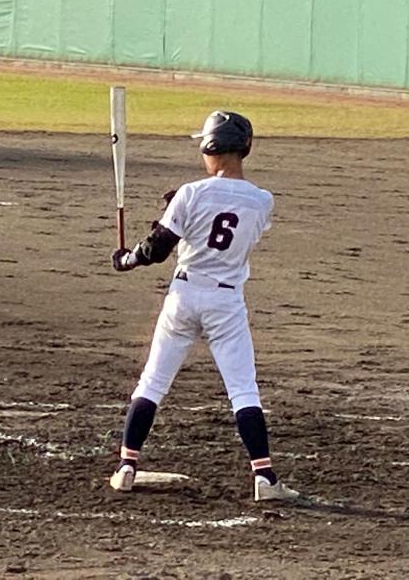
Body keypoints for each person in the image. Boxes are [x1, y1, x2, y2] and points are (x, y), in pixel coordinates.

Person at [108, 111, 299, 502]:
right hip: (226, 303)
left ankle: (126, 466)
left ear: (212, 147)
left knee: (152, 382)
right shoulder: (263, 201)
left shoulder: (190, 193)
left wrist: (126, 259)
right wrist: (180, 215)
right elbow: (225, 229)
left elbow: (156, 249)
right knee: (243, 390)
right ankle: (264, 477)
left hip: (183, 297)